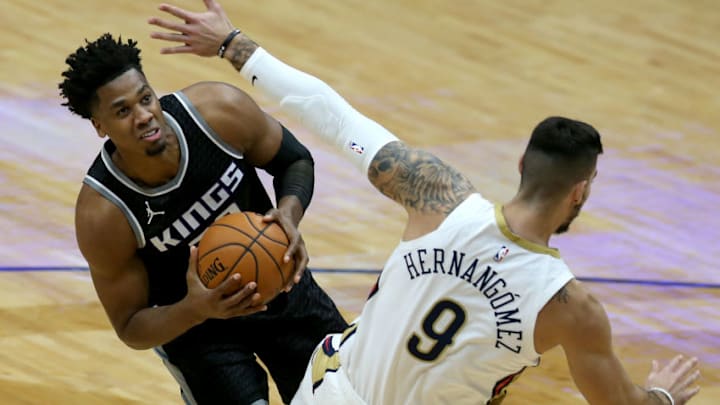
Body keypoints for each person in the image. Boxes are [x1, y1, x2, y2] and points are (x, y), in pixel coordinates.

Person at [148, 2, 702, 404]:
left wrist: (232, 44)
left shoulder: (439, 196)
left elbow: (336, 117)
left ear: (519, 166)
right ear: (580, 191)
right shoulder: (571, 309)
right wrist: (665, 397)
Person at [59, 32, 348, 405]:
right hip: (196, 333)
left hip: (280, 287)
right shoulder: (104, 215)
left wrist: (288, 215)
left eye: (146, 98)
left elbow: (294, 160)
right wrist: (195, 309)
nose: (144, 115)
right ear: (100, 127)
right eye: (122, 111)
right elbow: (130, 325)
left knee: (349, 396)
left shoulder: (218, 112)